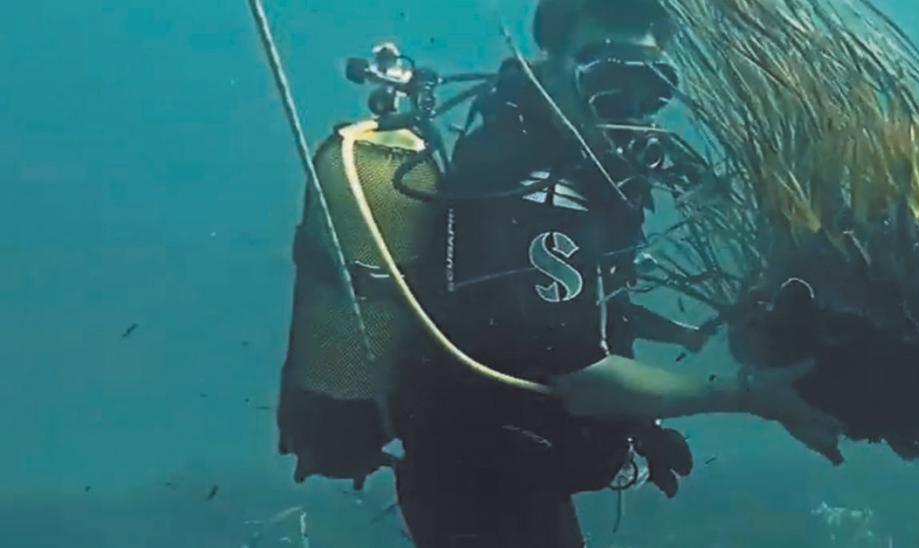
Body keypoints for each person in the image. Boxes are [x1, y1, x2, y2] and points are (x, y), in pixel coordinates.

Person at [282, 1, 843, 546]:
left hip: (515, 464)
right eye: (607, 74)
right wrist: (749, 396)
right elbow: (578, 374)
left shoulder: (584, 161)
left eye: (651, 82)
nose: (628, 104)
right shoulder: (531, 185)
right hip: (480, 480)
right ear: (550, 66)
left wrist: (649, 401)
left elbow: (574, 311)